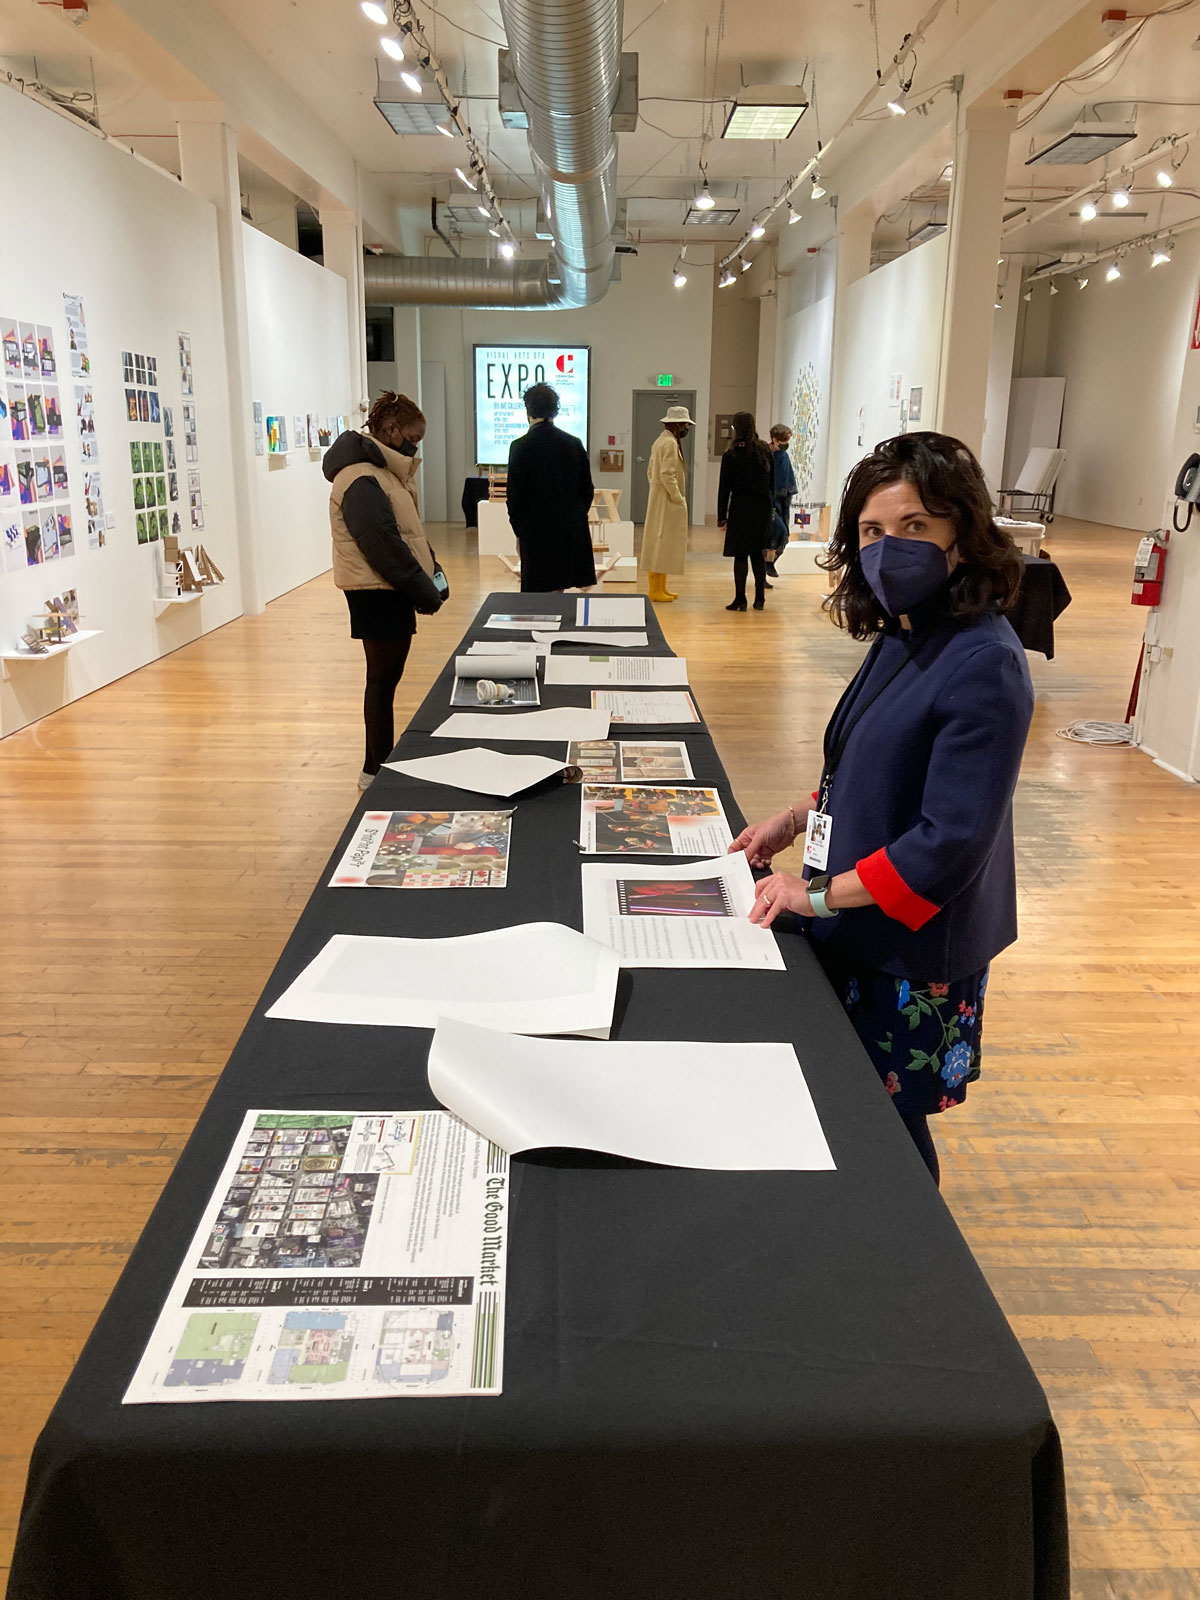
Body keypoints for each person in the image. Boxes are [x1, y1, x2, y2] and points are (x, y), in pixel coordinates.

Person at [727, 432, 1031, 1185]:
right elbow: (870, 769)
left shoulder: (984, 661)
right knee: (854, 1097)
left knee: (887, 1124)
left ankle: (919, 1267)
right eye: (872, 531)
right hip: (862, 919)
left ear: (963, 531)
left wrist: (817, 894)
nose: (889, 547)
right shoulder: (906, 634)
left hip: (913, 945)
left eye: (915, 527)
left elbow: (947, 842)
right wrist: (793, 821)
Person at [324, 391, 448, 791]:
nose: (416, 445)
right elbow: (383, 547)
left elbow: (408, 535)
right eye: (414, 436)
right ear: (392, 430)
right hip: (376, 592)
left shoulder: (383, 473)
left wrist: (434, 570)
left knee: (386, 678)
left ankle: (380, 762)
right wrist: (422, 592)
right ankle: (374, 769)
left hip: (388, 589)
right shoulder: (361, 478)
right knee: (381, 680)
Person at [506, 382, 596, 592]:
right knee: (561, 588)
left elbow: (515, 497)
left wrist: (519, 531)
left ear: (528, 409)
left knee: (538, 594)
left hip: (534, 531)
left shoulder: (519, 447)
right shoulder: (573, 444)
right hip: (569, 528)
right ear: (555, 409)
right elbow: (587, 489)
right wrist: (575, 516)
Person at [718, 411, 774, 611]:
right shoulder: (765, 451)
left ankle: (740, 599)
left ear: (736, 428)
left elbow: (724, 488)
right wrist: (772, 507)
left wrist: (721, 516)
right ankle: (760, 599)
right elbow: (772, 483)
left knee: (740, 555)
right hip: (762, 507)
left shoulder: (731, 454)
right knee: (758, 554)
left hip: (741, 507)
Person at [641, 404, 693, 604]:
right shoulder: (669, 444)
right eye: (685, 425)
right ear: (678, 425)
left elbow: (650, 471)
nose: (687, 429)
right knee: (660, 542)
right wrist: (677, 497)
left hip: (660, 497)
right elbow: (666, 474)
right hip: (666, 500)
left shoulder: (661, 441)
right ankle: (655, 589)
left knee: (660, 543)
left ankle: (661, 587)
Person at [766, 424, 797, 579]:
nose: (786, 443)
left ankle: (768, 566)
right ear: (775, 439)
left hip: (782, 501)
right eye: (783, 440)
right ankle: (768, 564)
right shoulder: (766, 454)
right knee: (778, 531)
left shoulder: (783, 456)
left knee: (782, 533)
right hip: (769, 501)